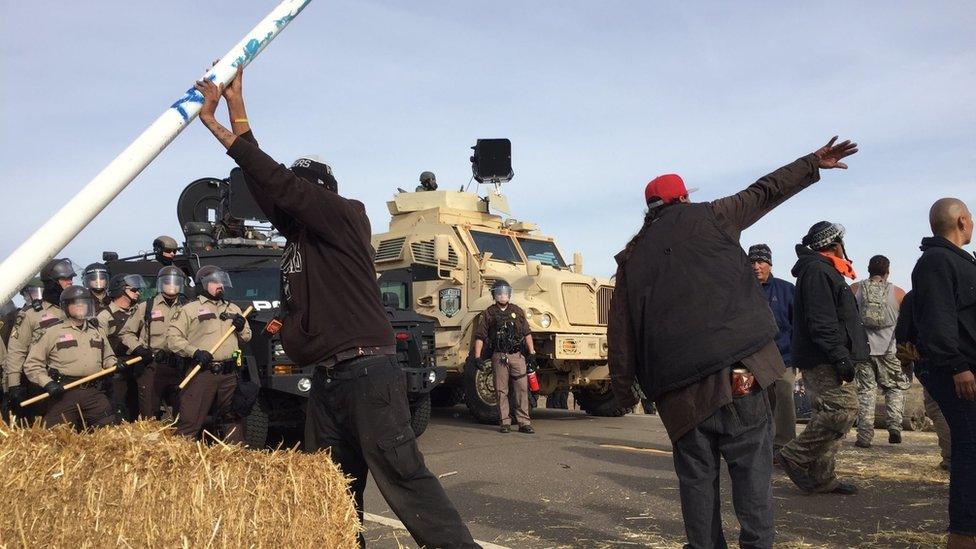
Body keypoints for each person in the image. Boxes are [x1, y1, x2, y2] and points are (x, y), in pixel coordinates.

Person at [193, 67, 478, 548]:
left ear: (317, 192)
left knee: (404, 480)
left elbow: (279, 184)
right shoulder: (301, 238)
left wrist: (222, 128)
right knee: (329, 492)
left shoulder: (346, 215)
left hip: (369, 374)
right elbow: (268, 188)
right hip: (326, 381)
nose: (287, 203)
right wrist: (235, 113)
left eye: (299, 192)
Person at [609, 137, 858, 548]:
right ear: (684, 198)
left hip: (680, 396)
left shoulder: (631, 260)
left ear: (649, 210)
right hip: (739, 377)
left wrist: (622, 393)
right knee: (752, 479)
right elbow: (766, 190)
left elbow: (620, 336)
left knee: (697, 485)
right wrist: (814, 162)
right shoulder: (714, 216)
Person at [776, 221, 868, 496]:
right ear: (835, 244)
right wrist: (840, 356)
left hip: (827, 355)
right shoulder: (818, 271)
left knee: (828, 416)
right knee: (841, 411)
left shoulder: (822, 271)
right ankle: (794, 454)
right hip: (824, 358)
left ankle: (822, 478)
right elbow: (822, 321)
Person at [911, 197, 976, 546]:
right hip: (957, 371)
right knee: (970, 446)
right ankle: (964, 536)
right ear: (963, 221)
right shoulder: (937, 261)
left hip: (963, 367)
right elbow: (938, 320)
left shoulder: (955, 261)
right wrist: (958, 367)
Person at [167, 266, 250, 442]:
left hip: (229, 373)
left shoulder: (234, 308)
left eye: (222, 281)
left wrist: (242, 327)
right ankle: (181, 458)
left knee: (233, 418)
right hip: (202, 371)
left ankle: (234, 458)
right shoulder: (189, 309)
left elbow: (247, 337)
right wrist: (195, 352)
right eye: (215, 281)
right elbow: (173, 339)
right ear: (203, 284)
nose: (220, 285)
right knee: (190, 418)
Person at [23, 285, 118, 429]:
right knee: (57, 436)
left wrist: (114, 364)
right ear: (66, 306)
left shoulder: (97, 331)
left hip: (94, 392)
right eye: (76, 303)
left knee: (110, 431)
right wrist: (47, 383)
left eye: (84, 304)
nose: (81, 307)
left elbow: (108, 357)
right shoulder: (51, 332)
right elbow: (32, 364)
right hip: (64, 393)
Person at [850, 255, 909, 446]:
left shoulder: (855, 290)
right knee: (894, 388)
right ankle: (894, 428)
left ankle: (864, 437)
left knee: (866, 392)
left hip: (863, 351)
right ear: (888, 270)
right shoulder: (899, 293)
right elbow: (906, 324)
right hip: (890, 350)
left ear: (868, 269)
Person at [3, 259, 74, 417]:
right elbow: (16, 351)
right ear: (52, 282)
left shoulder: (76, 309)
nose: (70, 282)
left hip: (73, 382)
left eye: (71, 278)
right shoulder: (31, 314)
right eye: (65, 279)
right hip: (41, 383)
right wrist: (14, 386)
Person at [120, 266, 188, 420]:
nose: (172, 286)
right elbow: (126, 333)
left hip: (179, 365)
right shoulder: (146, 306)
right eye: (167, 282)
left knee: (183, 411)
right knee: (149, 413)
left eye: (176, 283)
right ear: (160, 284)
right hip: (152, 365)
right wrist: (139, 349)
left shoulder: (187, 307)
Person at [749, 243, 798, 455]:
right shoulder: (741, 291)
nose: (756, 266)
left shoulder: (787, 290)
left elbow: (798, 324)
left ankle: (785, 447)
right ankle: (760, 448)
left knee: (785, 399)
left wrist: (797, 355)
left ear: (769, 263)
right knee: (756, 404)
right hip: (752, 359)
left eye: (760, 261)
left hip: (783, 358)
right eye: (751, 262)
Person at [896, 290, 951, 470]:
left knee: (937, 407)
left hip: (931, 359)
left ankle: (952, 457)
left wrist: (905, 360)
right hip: (963, 359)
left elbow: (903, 330)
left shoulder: (914, 296)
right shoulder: (960, 287)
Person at [472, 279, 537, 434]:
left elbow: (527, 333)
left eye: (505, 292)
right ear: (494, 295)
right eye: (499, 293)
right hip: (499, 355)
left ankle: (524, 422)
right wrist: (477, 357)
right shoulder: (489, 312)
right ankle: (505, 422)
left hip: (517, 355)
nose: (502, 295)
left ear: (509, 294)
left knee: (522, 389)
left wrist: (532, 352)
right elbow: (480, 336)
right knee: (501, 391)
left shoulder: (518, 311)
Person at [96, 273, 146, 421]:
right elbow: (100, 345)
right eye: (134, 289)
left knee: (136, 407)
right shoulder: (104, 316)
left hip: (136, 367)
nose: (138, 293)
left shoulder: (138, 311)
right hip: (116, 371)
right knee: (119, 408)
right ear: (120, 290)